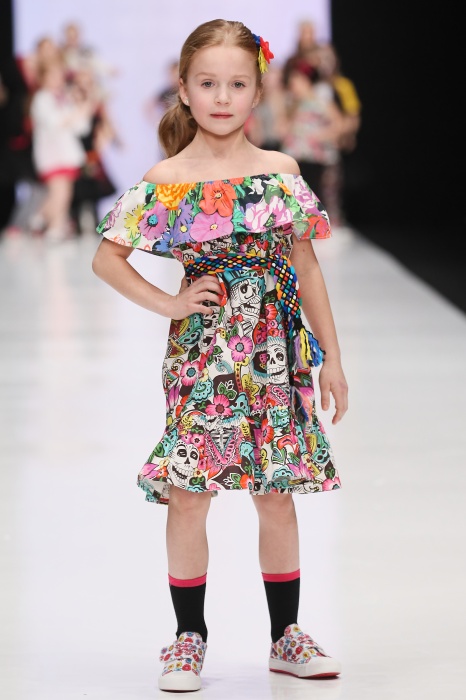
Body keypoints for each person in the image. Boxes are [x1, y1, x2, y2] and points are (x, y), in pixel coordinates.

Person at [92, 19, 348, 693]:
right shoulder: (168, 179)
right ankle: (188, 638)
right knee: (188, 492)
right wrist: (171, 303)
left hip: (276, 352)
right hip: (201, 357)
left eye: (237, 84)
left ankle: (286, 636)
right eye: (208, 84)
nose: (223, 97)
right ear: (184, 89)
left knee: (276, 492)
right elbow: (107, 257)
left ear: (257, 91)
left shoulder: (280, 173)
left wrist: (332, 358)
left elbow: (307, 267)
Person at [29, 61, 94, 240]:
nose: (57, 80)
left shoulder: (65, 98)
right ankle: (49, 224)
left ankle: (50, 223)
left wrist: (83, 107)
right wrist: (76, 112)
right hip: (51, 154)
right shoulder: (41, 99)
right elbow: (54, 123)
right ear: (43, 78)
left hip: (67, 154)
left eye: (59, 76)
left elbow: (81, 128)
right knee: (59, 192)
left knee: (65, 192)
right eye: (53, 76)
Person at [281, 57, 344, 218]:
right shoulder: (292, 102)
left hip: (314, 157)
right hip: (295, 156)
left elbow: (338, 123)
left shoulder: (320, 101)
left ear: (306, 80)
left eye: (296, 80)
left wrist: (321, 135)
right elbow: (285, 127)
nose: (293, 84)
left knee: (315, 194)